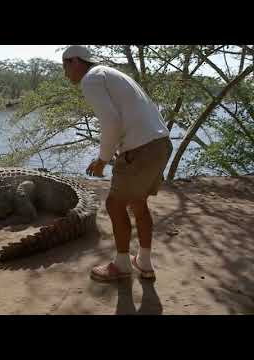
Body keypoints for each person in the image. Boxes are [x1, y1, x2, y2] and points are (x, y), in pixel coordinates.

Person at [62, 45, 173, 281]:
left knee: (114, 204)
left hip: (141, 149)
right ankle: (144, 262)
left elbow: (112, 122)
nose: (65, 74)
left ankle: (122, 265)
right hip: (161, 144)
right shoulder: (111, 74)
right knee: (138, 202)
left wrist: (102, 160)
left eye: (65, 67)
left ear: (74, 62)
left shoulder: (91, 79)